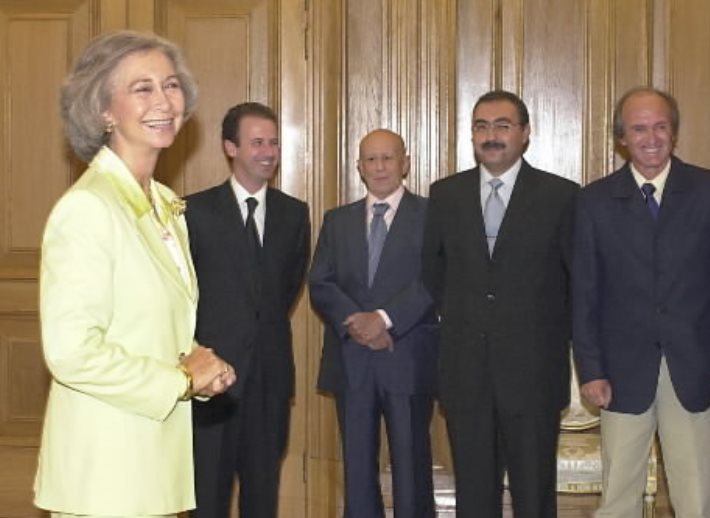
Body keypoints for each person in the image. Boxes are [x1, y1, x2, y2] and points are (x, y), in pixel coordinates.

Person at [34, 30, 236, 518]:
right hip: (106, 476)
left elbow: (152, 328)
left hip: (154, 469)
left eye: (170, 85)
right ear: (103, 109)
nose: (163, 100)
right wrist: (179, 380)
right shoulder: (88, 207)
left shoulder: (164, 204)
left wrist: (199, 368)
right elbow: (72, 352)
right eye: (141, 88)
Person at [572, 86, 710, 518]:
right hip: (622, 369)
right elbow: (585, 292)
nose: (651, 138)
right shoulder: (594, 201)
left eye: (660, 126)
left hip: (695, 365)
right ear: (621, 138)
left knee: (695, 494)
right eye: (639, 128)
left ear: (674, 132)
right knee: (618, 492)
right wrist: (590, 370)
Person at [422, 90, 578, 518]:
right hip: (465, 374)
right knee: (474, 495)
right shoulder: (445, 195)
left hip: (532, 375)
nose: (491, 136)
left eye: (502, 126)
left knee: (533, 496)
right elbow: (430, 279)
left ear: (525, 134)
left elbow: (576, 285)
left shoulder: (561, 196)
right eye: (481, 126)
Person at [185, 102, 311, 518]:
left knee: (263, 498)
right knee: (209, 498)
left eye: (273, 142)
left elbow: (284, 289)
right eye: (257, 142)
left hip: (270, 382)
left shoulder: (295, 215)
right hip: (211, 385)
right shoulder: (195, 212)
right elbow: (185, 296)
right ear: (230, 147)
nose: (268, 152)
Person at [311, 129, 437, 517]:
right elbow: (320, 281)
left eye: (388, 158)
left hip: (407, 357)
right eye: (371, 159)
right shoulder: (337, 220)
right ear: (359, 168)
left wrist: (385, 320)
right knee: (357, 467)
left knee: (411, 464)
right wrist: (358, 324)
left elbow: (435, 279)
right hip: (352, 360)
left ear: (405, 163)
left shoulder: (433, 216)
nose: (379, 167)